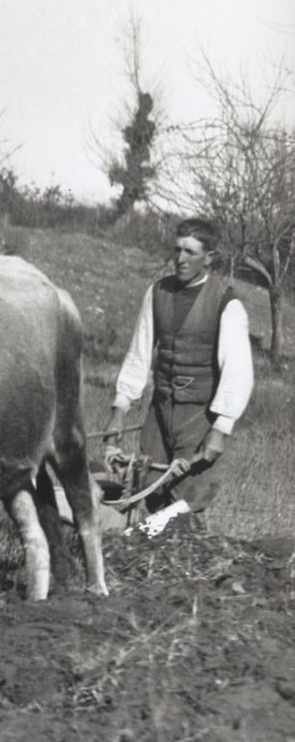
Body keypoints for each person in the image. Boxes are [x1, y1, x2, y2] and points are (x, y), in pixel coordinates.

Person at [104, 218, 253, 538]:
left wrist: (221, 430)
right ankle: (149, 547)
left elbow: (237, 372)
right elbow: (139, 354)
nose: (181, 258)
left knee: (187, 496)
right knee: (150, 484)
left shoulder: (227, 304)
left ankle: (149, 547)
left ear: (209, 257)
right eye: (177, 250)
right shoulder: (157, 293)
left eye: (190, 251)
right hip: (160, 410)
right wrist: (119, 411)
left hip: (198, 414)